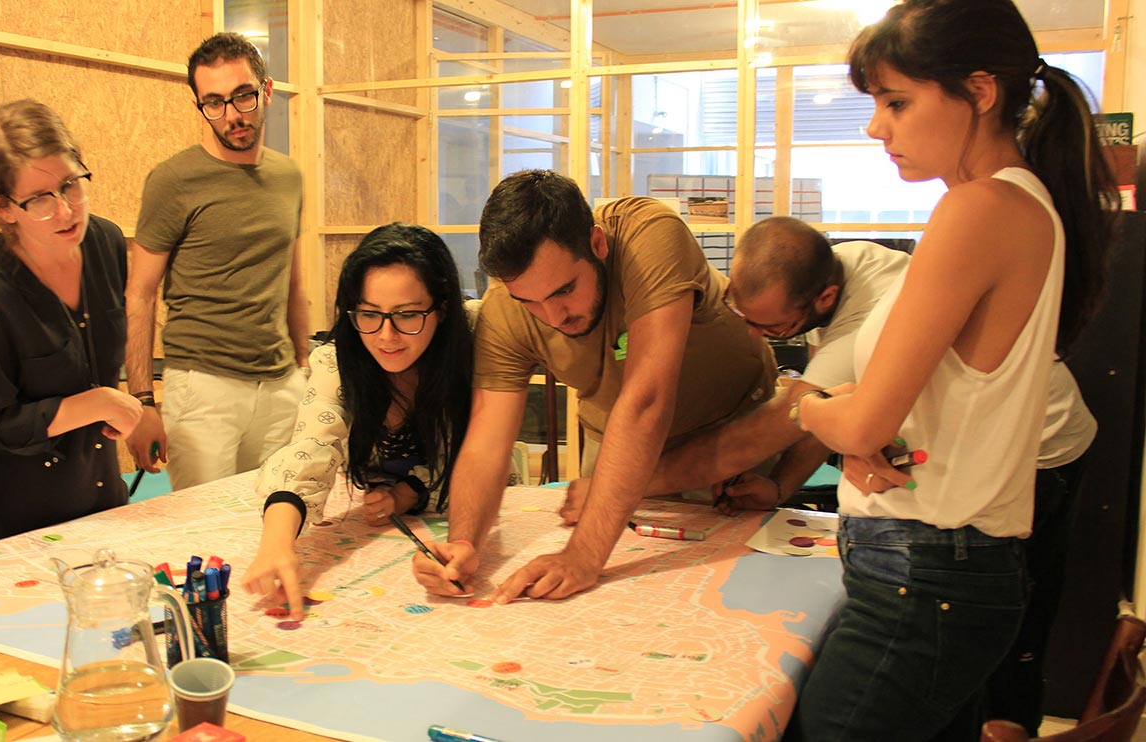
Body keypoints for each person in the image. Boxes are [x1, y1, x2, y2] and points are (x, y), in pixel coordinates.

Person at [588, 217, 1095, 735]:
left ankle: (1011, 724)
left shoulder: (866, 316)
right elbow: (824, 404)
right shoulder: (844, 261)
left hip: (1039, 451)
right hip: (965, 460)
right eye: (744, 316)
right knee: (952, 667)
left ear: (824, 298)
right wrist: (783, 483)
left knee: (1006, 645)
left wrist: (615, 485)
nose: (754, 335)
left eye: (771, 327)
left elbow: (784, 424)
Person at [791, 0, 1117, 737]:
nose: (878, 128)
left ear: (978, 91)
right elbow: (931, 406)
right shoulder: (1018, 205)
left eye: (896, 103)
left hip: (925, 573)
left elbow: (868, 417)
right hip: (940, 568)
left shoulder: (980, 210)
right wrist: (861, 419)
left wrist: (805, 407)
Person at [410, 170, 777, 603]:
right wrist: (463, 542)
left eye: (565, 289)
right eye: (530, 301)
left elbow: (646, 400)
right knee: (608, 608)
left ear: (598, 244)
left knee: (734, 594)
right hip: (620, 442)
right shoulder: (505, 307)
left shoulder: (648, 234)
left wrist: (583, 554)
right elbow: (487, 440)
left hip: (730, 426)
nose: (552, 315)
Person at [244, 223, 474, 620]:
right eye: (369, 314)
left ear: (444, 308)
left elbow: (473, 459)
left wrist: (409, 493)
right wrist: (277, 543)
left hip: (466, 520)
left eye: (408, 315)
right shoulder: (338, 362)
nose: (387, 336)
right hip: (387, 529)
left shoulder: (473, 341)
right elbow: (310, 448)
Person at [0, 100, 141, 548]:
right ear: (4, 207)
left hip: (96, 490)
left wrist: (129, 404)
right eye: (40, 200)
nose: (67, 211)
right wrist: (102, 402)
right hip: (13, 514)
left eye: (72, 185)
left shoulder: (105, 243)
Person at [125, 32, 309, 491]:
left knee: (278, 518)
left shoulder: (288, 176)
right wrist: (143, 400)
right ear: (200, 106)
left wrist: (304, 366)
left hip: (281, 382)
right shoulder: (173, 181)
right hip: (204, 387)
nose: (231, 115)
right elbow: (140, 294)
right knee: (208, 534)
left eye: (242, 96)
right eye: (214, 103)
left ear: (266, 90)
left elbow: (293, 282)